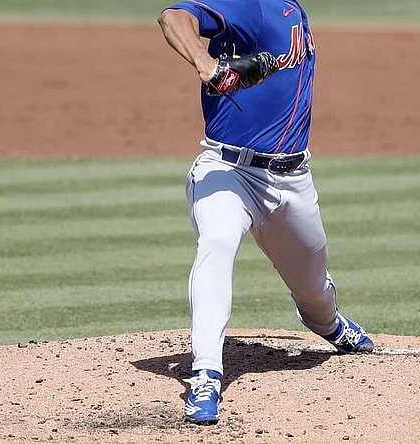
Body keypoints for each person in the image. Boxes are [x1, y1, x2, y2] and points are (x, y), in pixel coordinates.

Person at [157, 0, 374, 425]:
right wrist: (208, 66)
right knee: (217, 241)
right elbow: (173, 17)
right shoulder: (249, 4)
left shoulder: (292, 9)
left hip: (292, 180)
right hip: (228, 170)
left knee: (314, 289)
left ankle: (329, 324)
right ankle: (205, 375)